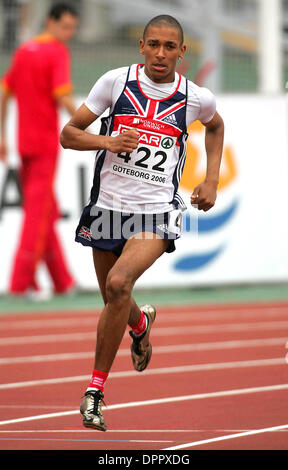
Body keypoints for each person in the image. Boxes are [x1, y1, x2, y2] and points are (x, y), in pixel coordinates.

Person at [60, 14, 224, 432]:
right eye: (154, 45)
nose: (161, 54)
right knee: (115, 299)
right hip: (107, 207)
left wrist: (210, 180)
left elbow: (216, 126)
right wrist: (107, 140)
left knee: (118, 284)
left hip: (157, 210)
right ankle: (140, 324)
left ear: (182, 52)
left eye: (170, 47)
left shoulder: (194, 97)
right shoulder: (115, 82)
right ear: (141, 46)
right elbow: (68, 133)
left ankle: (94, 392)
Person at [0, 3, 79, 298]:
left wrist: (2, 136)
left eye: (72, 28)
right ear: (51, 22)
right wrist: (88, 121)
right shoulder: (57, 52)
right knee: (37, 214)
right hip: (46, 144)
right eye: (66, 27)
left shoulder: (24, 51)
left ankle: (62, 281)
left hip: (23, 143)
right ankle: (20, 283)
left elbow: (4, 90)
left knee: (44, 210)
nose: (69, 34)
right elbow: (62, 95)